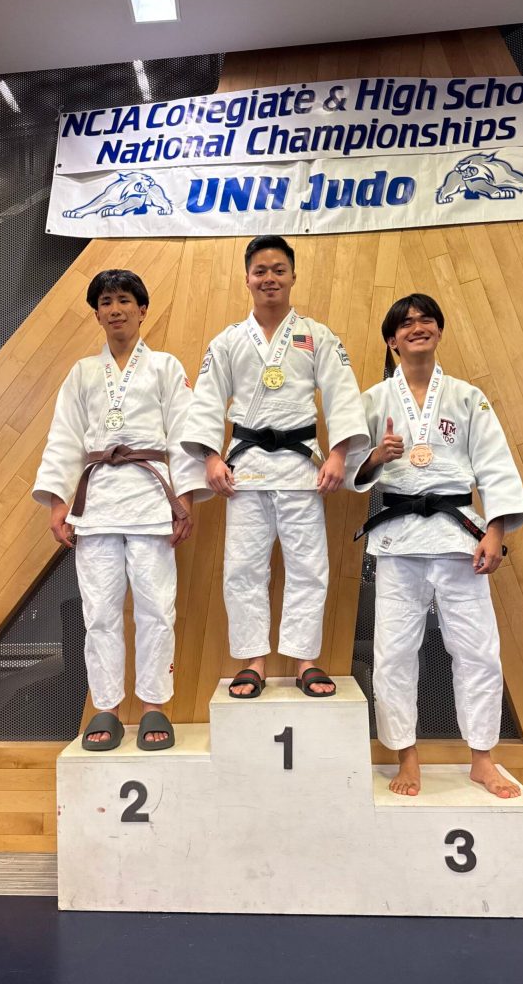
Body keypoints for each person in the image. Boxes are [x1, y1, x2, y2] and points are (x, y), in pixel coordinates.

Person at [352, 293, 523, 798]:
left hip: (458, 537)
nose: (417, 327)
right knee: (393, 653)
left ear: (439, 331)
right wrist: (377, 458)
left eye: (426, 320)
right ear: (392, 340)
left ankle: (482, 758)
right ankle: (407, 757)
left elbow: (495, 465)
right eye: (405, 324)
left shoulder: (468, 398)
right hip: (399, 540)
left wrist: (495, 531)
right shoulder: (373, 400)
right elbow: (349, 470)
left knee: (477, 650)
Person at [182, 235, 370, 698]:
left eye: (278, 270)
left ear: (292, 276)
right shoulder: (228, 341)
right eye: (261, 270)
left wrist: (339, 454)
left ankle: (306, 660)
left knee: (309, 567)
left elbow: (343, 395)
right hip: (244, 472)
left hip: (302, 469)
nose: (270, 278)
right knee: (242, 569)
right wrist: (210, 456)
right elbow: (206, 401)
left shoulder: (317, 335)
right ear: (247, 278)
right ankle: (253, 661)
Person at [33, 269, 208, 751]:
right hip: (97, 504)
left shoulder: (165, 367)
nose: (115, 309)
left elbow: (184, 433)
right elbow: (64, 438)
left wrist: (184, 500)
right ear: (97, 314)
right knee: (99, 612)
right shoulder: (82, 373)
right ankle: (106, 707)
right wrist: (58, 502)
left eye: (124, 300)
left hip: (152, 501)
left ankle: (155, 705)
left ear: (142, 309)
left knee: (156, 609)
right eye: (106, 302)